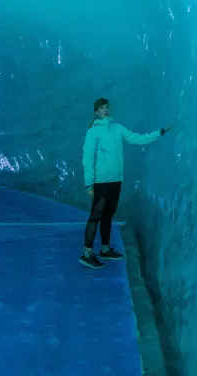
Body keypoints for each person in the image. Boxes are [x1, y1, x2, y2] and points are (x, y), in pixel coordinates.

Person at [80, 98, 170, 269]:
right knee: (96, 216)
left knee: (108, 215)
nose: (105, 109)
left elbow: (138, 139)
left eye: (107, 107)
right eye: (101, 108)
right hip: (101, 181)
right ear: (96, 112)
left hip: (116, 180)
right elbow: (87, 157)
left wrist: (160, 132)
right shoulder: (93, 132)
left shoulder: (118, 128)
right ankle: (86, 253)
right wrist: (88, 183)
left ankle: (105, 249)